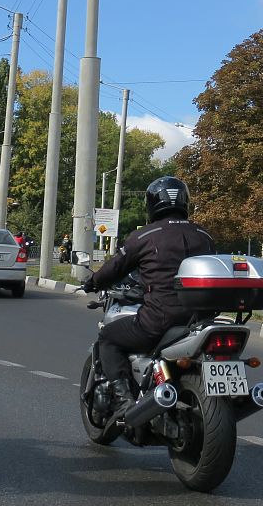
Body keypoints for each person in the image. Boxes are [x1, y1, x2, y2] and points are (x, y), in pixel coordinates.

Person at [81, 176, 215, 421]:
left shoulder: (145, 236)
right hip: (200, 320)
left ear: (152, 203)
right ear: (185, 201)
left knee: (108, 339)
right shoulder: (203, 235)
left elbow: (115, 267)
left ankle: (124, 402)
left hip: (159, 320)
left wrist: (93, 282)